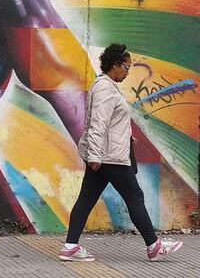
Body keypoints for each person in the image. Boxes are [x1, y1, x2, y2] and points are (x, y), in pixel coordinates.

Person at [59, 43, 183, 262]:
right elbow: (98, 124)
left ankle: (70, 247)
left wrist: (125, 137)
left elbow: (110, 122)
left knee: (86, 199)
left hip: (106, 154)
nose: (128, 72)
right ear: (115, 65)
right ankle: (153, 246)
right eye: (126, 67)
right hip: (109, 158)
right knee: (134, 196)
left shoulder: (106, 86)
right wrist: (95, 156)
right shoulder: (105, 88)